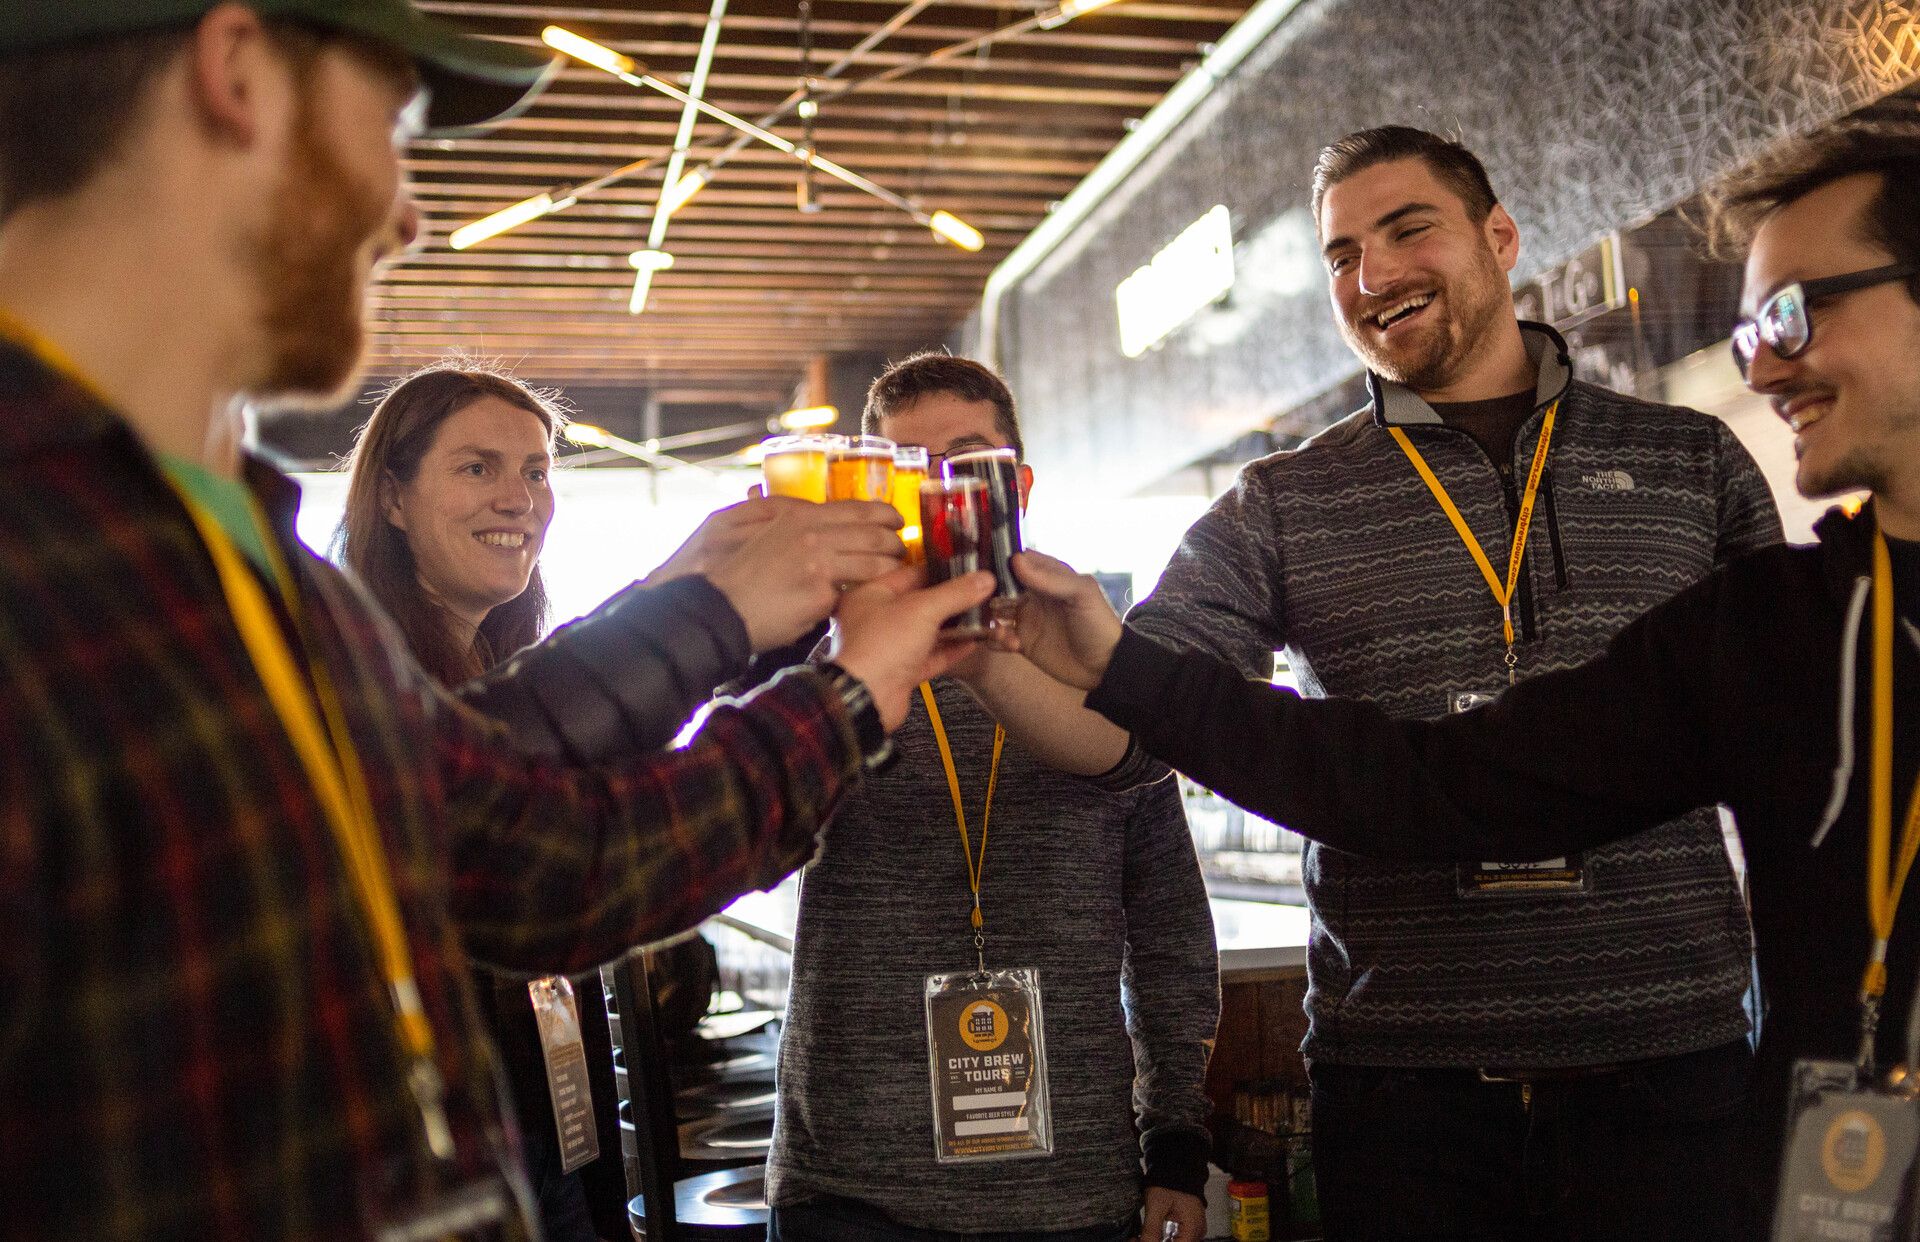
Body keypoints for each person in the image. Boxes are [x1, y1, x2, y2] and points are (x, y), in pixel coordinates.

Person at [0, 5, 995, 1240]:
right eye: (392, 126)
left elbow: (539, 859)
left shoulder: (250, 557)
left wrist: (827, 672)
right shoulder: (57, 565)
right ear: (238, 75)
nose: (407, 214)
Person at [1003, 113, 1920, 1237]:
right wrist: (1012, 648)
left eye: (1407, 230)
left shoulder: (1691, 462)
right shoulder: (1281, 503)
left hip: (1672, 1072)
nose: (1371, 274)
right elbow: (1176, 749)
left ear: (1501, 236)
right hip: (1410, 1093)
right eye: (1341, 254)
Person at [763, 354, 1219, 1242]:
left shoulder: (1102, 665)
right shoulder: (826, 669)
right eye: (913, 469)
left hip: (1072, 1186)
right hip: (850, 1186)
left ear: (1021, 484)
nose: (940, 489)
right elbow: (745, 838)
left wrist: (1175, 1142)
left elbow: (1168, 930)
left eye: (967, 460)